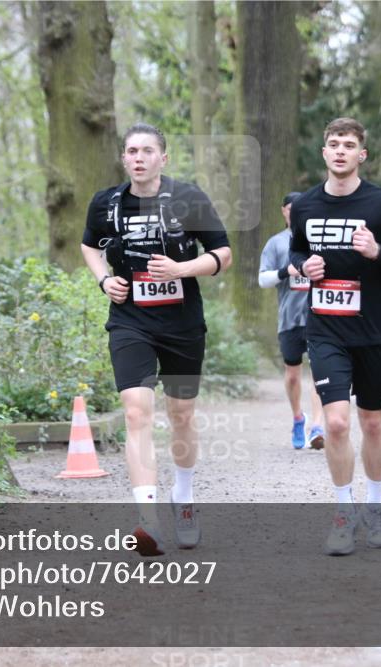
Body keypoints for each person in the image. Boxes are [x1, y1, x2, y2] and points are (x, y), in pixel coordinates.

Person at [80, 123, 232, 557]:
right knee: (136, 411)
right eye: (132, 151)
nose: (139, 157)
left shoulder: (189, 198)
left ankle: (183, 499)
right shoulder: (105, 203)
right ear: (124, 159)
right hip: (130, 321)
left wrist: (183, 271)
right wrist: (103, 280)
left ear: (163, 158)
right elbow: (90, 246)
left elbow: (223, 254)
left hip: (182, 324)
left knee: (181, 413)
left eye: (148, 150)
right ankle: (148, 520)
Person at [289, 117, 381, 556]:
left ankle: (376, 506)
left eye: (349, 144)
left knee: (372, 421)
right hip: (325, 329)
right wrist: (305, 265)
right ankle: (344, 513)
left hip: (373, 330)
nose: (340, 150)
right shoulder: (306, 205)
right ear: (323, 153)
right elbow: (297, 248)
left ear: (361, 154)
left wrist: (377, 253)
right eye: (333, 144)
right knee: (337, 422)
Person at [259, 191, 325, 449]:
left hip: (319, 318)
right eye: (291, 207)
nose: (295, 211)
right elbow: (262, 280)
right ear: (284, 211)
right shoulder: (276, 243)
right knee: (293, 376)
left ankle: (317, 426)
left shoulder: (319, 240)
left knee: (320, 371)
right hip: (288, 319)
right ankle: (299, 418)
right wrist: (286, 271)